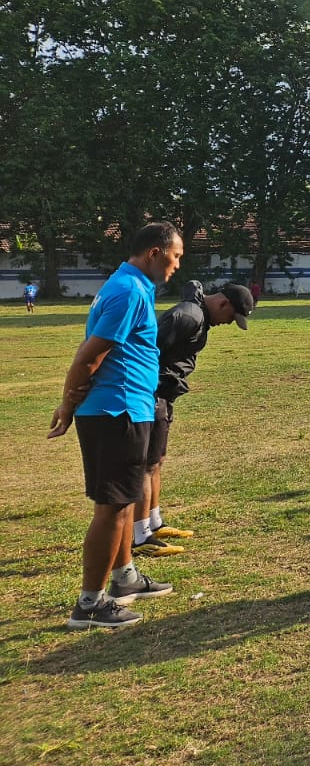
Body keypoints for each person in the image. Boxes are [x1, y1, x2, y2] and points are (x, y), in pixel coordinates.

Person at [47, 222, 185, 630]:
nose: (177, 265)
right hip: (116, 411)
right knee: (112, 508)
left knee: (123, 502)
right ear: (155, 252)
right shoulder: (128, 291)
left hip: (125, 408)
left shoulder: (130, 286)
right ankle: (89, 604)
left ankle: (125, 577)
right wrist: (68, 403)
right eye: (176, 256)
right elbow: (90, 355)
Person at [133, 279, 254, 557]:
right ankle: (140, 536)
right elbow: (147, 353)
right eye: (231, 317)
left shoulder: (198, 317)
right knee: (145, 465)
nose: (228, 323)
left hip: (165, 395)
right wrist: (149, 392)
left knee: (157, 461)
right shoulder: (188, 316)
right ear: (223, 303)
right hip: (151, 395)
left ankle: (155, 522)